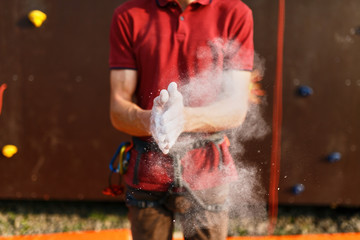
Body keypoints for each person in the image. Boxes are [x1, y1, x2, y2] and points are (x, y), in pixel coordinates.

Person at [109, 0, 254, 239]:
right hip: (148, 166)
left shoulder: (235, 13)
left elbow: (236, 107)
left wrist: (183, 118)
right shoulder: (129, 15)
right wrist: (153, 120)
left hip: (207, 166)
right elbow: (118, 109)